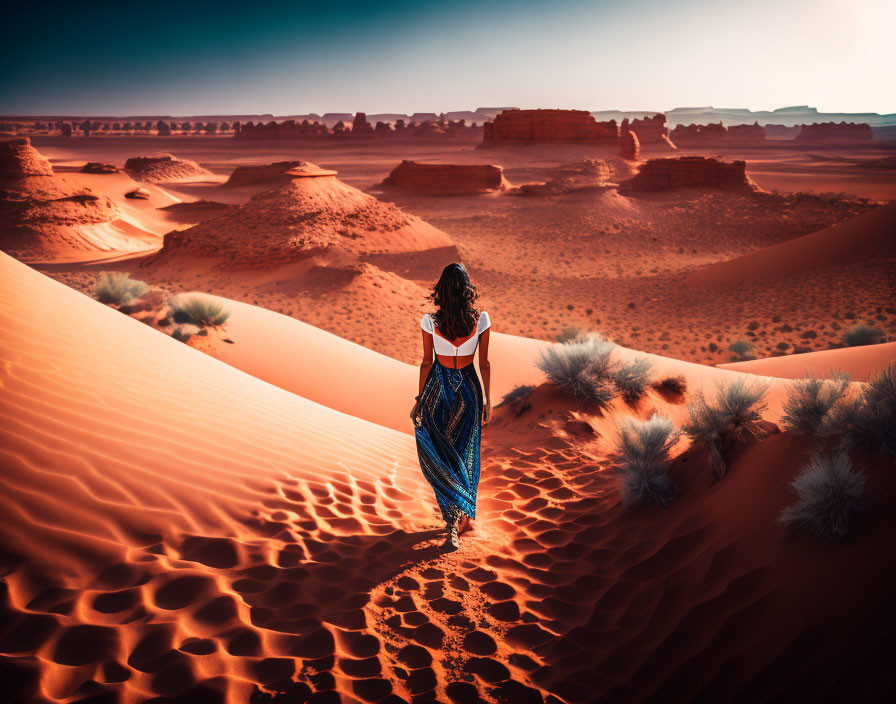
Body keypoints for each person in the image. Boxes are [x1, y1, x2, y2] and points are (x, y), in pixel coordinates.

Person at [411, 263, 491, 551]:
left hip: (438, 391)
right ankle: (462, 514)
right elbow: (484, 364)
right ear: (466, 291)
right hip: (469, 390)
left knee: (441, 454)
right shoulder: (480, 321)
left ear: (441, 292)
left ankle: (451, 520)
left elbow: (425, 363)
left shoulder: (430, 323)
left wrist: (420, 400)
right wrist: (487, 401)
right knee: (464, 453)